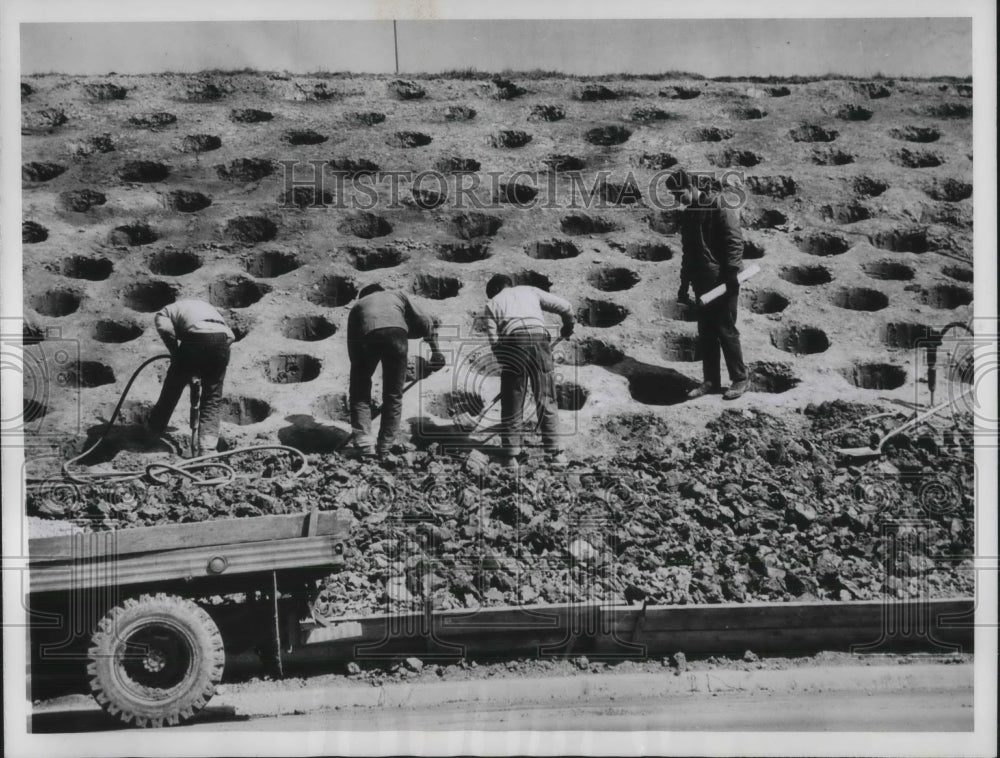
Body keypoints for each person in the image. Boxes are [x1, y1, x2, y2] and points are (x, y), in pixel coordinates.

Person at [483, 275, 574, 468]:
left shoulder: (492, 304)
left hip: (513, 343)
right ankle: (556, 453)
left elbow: (494, 341)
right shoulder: (529, 290)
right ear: (510, 285)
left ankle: (510, 456)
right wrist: (568, 326)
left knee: (512, 400)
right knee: (546, 396)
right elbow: (565, 307)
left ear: (493, 292)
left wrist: (507, 365)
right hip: (540, 341)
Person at [674, 170, 749, 401]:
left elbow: (734, 241)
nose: (679, 199)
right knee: (705, 332)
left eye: (680, 193)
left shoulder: (719, 206)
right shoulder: (688, 215)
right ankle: (711, 381)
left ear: (691, 187)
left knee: (725, 329)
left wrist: (731, 275)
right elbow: (688, 252)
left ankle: (740, 379)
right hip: (702, 283)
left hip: (723, 281)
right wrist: (684, 284)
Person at [346, 284, 444, 458]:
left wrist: (360, 372)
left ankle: (364, 444)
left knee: (359, 392)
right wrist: (436, 354)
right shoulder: (396, 295)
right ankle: (385, 447)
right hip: (397, 336)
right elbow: (426, 322)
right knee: (393, 394)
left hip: (366, 337)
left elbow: (353, 345)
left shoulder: (358, 306)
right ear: (381, 290)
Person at [147, 299, 235, 454]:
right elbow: (230, 338)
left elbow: (166, 329)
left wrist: (176, 354)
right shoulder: (208, 309)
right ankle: (207, 448)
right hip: (222, 340)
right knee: (212, 397)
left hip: (194, 338)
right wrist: (209, 364)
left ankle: (153, 431)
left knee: (173, 387)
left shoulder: (166, 311)